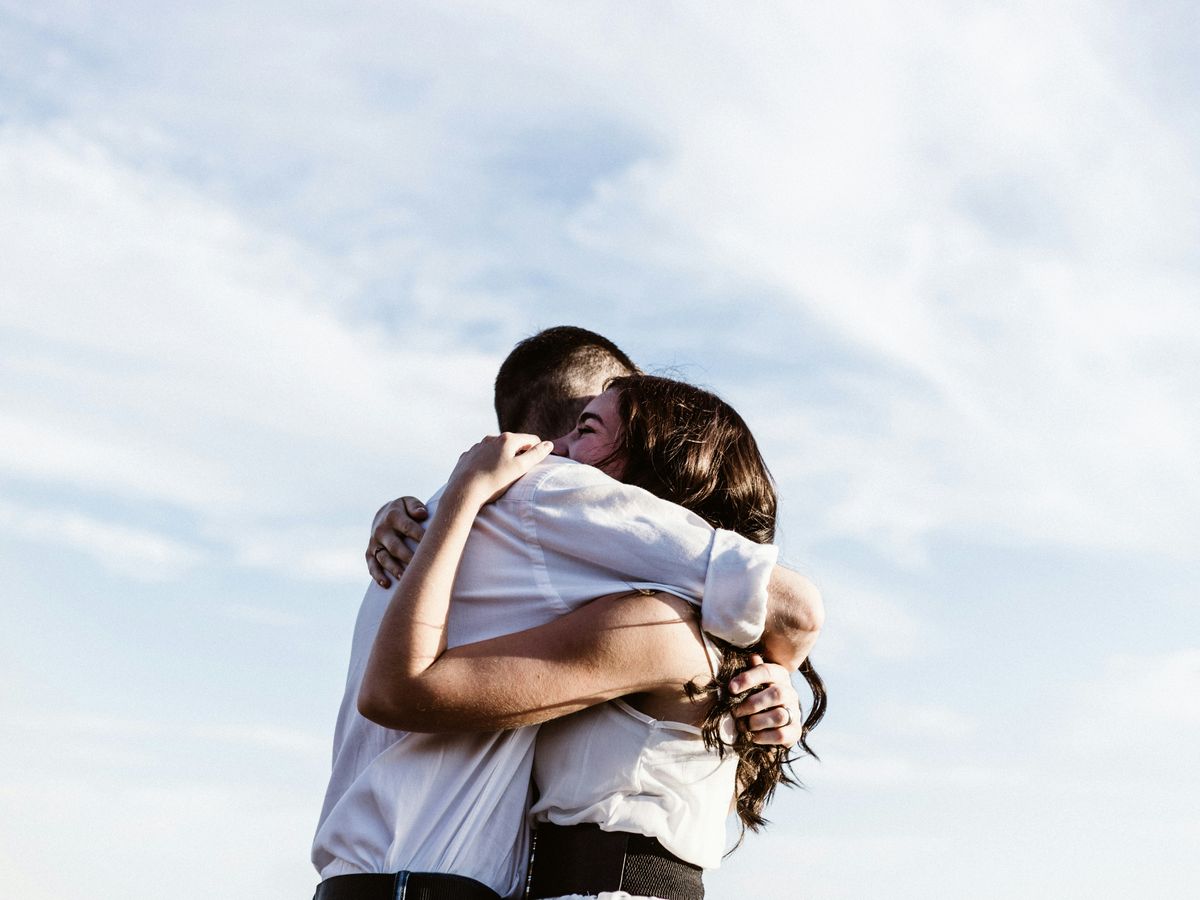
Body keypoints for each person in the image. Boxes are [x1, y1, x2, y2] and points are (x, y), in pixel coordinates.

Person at [311, 327, 822, 900]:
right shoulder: (548, 524)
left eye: (588, 431)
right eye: (581, 423)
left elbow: (796, 612)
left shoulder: (659, 625)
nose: (555, 454)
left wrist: (773, 672)